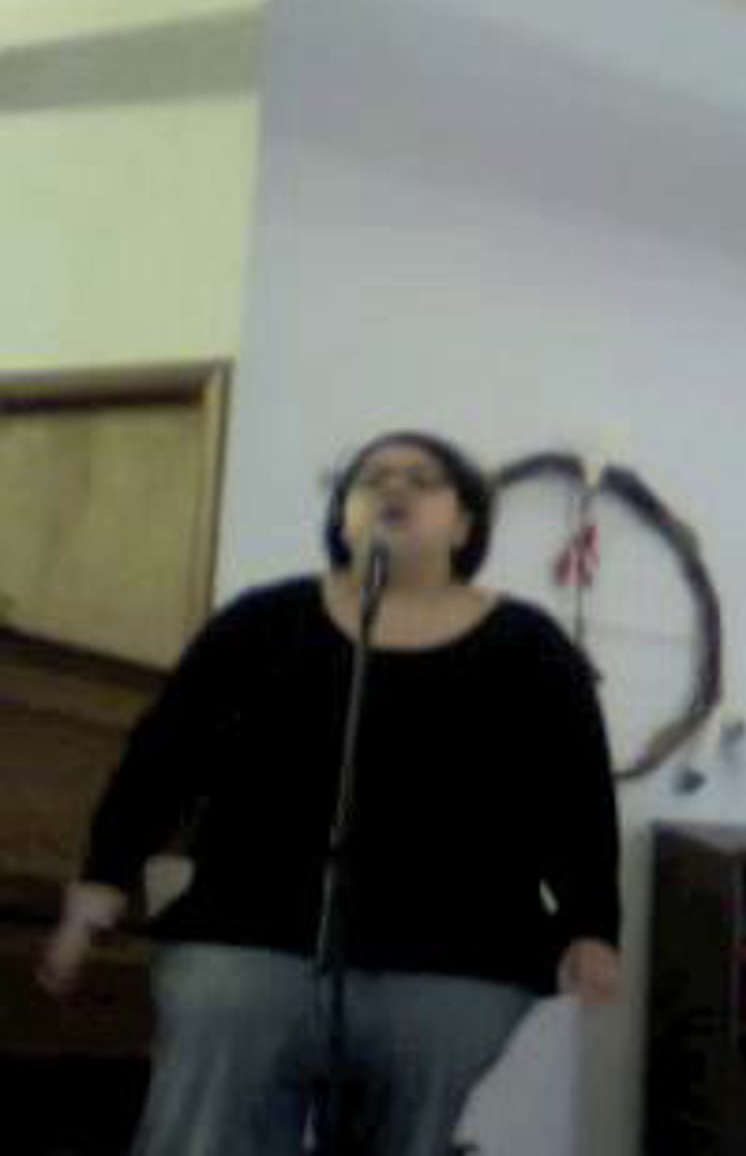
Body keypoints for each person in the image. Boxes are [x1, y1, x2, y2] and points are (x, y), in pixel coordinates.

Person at [37, 430, 623, 1156]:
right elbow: (161, 758)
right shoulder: (260, 623)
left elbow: (576, 796)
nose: (394, 487)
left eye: (422, 479)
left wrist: (593, 925)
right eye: (372, 479)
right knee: (213, 1080)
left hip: (459, 954)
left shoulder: (531, 646)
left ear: (465, 523)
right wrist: (104, 877)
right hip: (250, 937)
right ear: (343, 518)